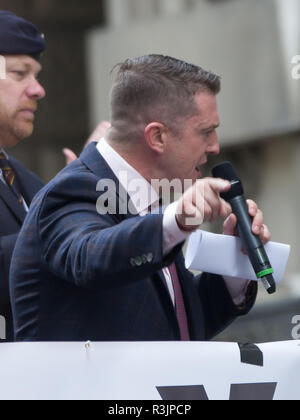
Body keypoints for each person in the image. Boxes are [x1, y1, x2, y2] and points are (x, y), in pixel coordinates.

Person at [10, 55, 271, 342]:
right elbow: (90, 257)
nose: (215, 146)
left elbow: (175, 327)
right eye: (205, 132)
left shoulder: (151, 201)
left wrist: (233, 264)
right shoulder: (72, 190)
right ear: (157, 137)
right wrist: (176, 221)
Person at [0, 10, 108, 342]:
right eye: (20, 73)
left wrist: (90, 189)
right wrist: (71, 197)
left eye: (36, 74)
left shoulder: (27, 182)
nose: (38, 89)